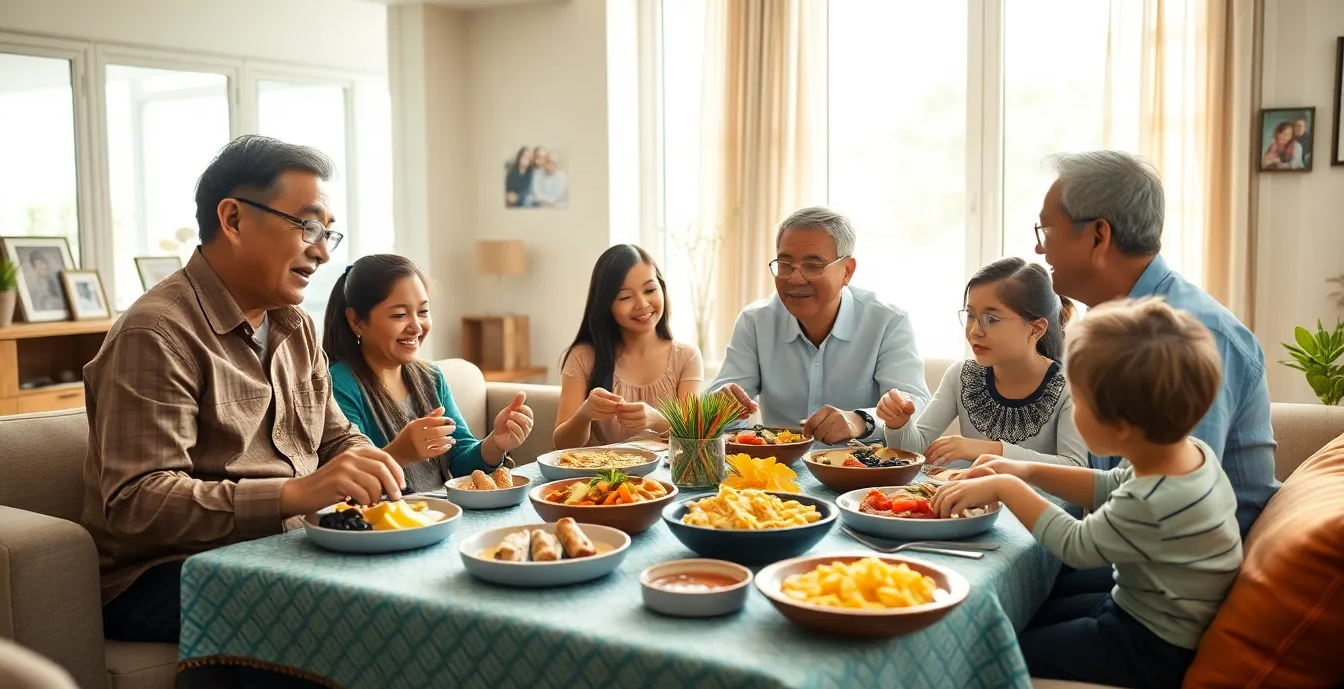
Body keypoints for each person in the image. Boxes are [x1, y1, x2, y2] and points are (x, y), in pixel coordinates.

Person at [81, 135, 404, 689]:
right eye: (308, 227)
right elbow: (135, 503)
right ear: (232, 218)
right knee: (299, 604)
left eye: (328, 233)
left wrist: (366, 463)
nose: (322, 253)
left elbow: (334, 436)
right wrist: (294, 494)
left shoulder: (296, 328)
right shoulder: (156, 333)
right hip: (157, 574)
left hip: (280, 545)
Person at [932, 298, 1241, 689]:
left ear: (1122, 425)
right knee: (1027, 610)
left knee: (998, 655)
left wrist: (1007, 487)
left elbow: (1078, 546)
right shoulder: (1186, 454)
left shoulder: (1152, 498)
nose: (1072, 410)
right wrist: (1024, 469)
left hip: (1147, 646)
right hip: (1138, 609)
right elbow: (1110, 483)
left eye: (1080, 401)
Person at [1033, 149, 1276, 537]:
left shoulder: (1190, 336)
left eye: (1046, 232)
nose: (1038, 250)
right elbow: (1119, 482)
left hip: (1177, 578)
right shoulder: (1111, 322)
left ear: (1099, 236)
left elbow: (1172, 514)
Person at [707, 206, 930, 444]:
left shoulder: (888, 321)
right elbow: (720, 403)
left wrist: (860, 420)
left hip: (861, 471)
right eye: (785, 265)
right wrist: (721, 407)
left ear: (847, 271)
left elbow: (914, 404)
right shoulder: (755, 321)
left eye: (813, 266)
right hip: (777, 471)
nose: (794, 278)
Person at [324, 254, 534, 492]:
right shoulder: (338, 384)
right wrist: (400, 452)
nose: (416, 326)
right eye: (399, 315)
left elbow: (461, 459)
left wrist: (495, 442)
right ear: (356, 321)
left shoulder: (431, 377)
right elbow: (351, 480)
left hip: (439, 515)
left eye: (423, 312)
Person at [877, 257, 1087, 469]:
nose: (975, 331)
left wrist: (990, 449)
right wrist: (899, 424)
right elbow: (915, 450)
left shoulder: (1071, 388)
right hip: (974, 502)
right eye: (970, 315)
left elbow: (1074, 468)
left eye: (991, 319)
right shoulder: (961, 376)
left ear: (1036, 328)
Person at [554, 244, 703, 448]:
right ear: (606, 304)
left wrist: (657, 420)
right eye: (625, 297)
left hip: (664, 479)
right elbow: (561, 445)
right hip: (596, 477)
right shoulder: (583, 357)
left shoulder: (686, 357)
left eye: (650, 290)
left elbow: (696, 437)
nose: (642, 304)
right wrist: (585, 414)